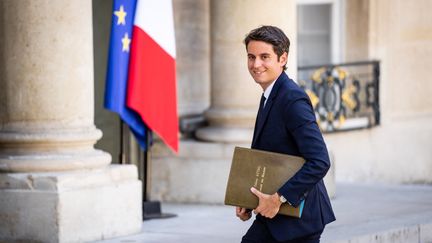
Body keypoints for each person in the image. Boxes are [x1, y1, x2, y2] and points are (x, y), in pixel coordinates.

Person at [235, 25, 336, 242]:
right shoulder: (270, 94)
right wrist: (248, 198)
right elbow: (269, 155)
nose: (256, 64)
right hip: (273, 216)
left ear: (282, 58)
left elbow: (319, 161)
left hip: (299, 222)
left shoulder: (292, 99)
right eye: (251, 57)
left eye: (264, 57)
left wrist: (279, 198)